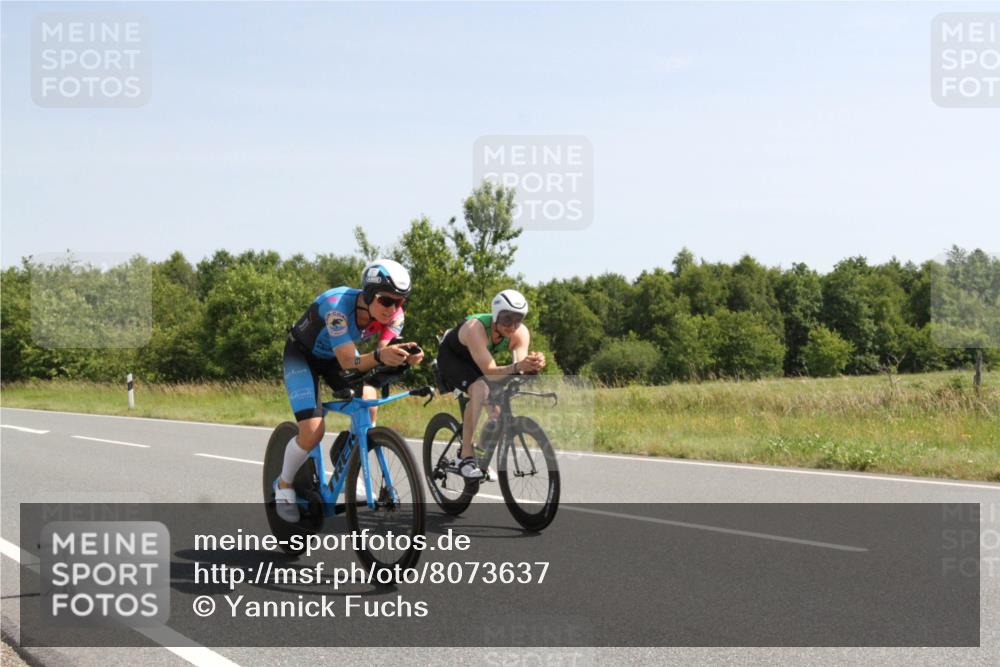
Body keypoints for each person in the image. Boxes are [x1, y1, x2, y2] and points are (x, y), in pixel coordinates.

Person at [275, 258, 424, 521]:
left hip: (335, 356)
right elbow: (349, 361)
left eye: (399, 302)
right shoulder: (337, 308)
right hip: (303, 355)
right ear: (367, 295)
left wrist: (403, 355)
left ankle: (351, 455)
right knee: (312, 432)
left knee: (369, 397)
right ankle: (284, 485)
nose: (393, 308)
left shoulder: (395, 315)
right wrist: (380, 356)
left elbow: (385, 347)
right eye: (386, 301)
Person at [436, 289, 546, 479]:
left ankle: (479, 456)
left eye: (517, 319)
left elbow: (518, 368)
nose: (512, 325)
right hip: (453, 358)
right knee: (480, 388)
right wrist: (518, 366)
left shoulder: (521, 333)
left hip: (480, 360)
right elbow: (490, 372)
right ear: (495, 315)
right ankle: (466, 457)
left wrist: (532, 366)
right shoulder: (475, 328)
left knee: (496, 413)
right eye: (506, 319)